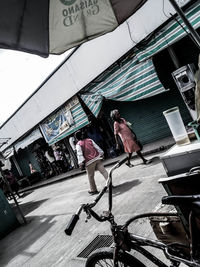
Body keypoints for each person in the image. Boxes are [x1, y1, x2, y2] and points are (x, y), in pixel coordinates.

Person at [75, 130, 108, 195]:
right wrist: (102, 153)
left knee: (90, 176)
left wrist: (80, 163)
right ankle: (110, 184)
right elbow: (97, 147)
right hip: (97, 158)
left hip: (89, 162)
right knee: (104, 171)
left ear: (77, 138)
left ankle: (93, 190)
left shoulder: (78, 144)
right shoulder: (89, 140)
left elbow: (79, 154)